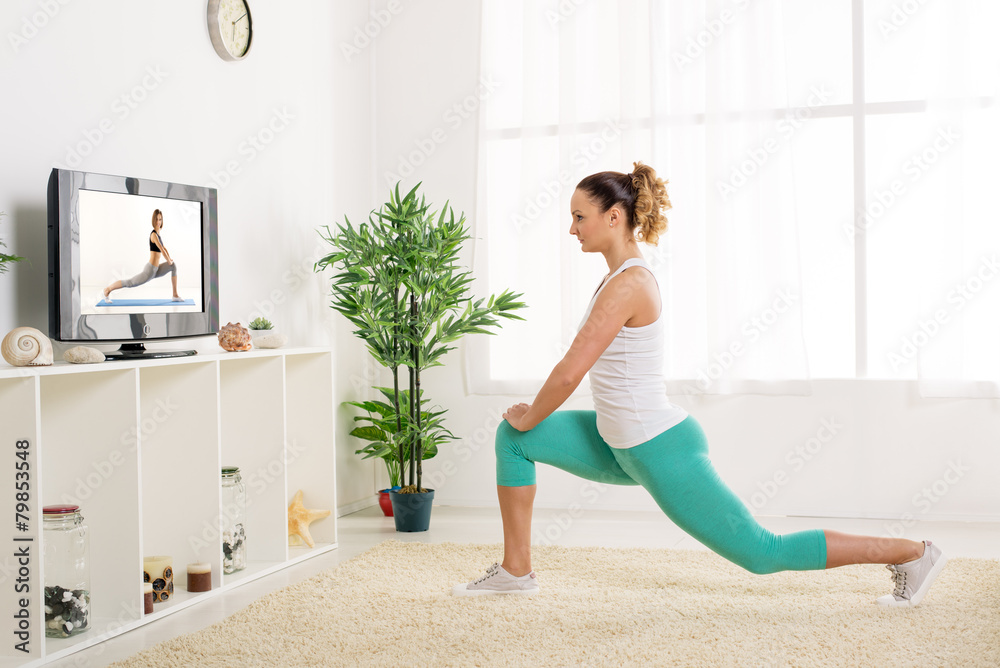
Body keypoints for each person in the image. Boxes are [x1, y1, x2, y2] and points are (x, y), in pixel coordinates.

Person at [452, 162, 947, 606]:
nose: (571, 228)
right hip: (617, 442)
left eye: (580, 216)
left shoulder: (630, 283)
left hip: (659, 448)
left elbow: (569, 372)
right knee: (513, 440)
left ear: (613, 218)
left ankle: (914, 553)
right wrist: (525, 423)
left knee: (761, 552)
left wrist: (530, 413)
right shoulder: (614, 279)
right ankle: (516, 571)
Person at [103, 209, 183, 303]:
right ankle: (107, 289)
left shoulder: (158, 233)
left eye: (160, 219)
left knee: (173, 266)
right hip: (149, 271)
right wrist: (168, 260)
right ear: (153, 220)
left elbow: (164, 248)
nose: (158, 222)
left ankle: (175, 295)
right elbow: (161, 249)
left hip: (156, 269)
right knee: (130, 283)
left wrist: (170, 259)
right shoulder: (153, 235)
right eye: (156, 219)